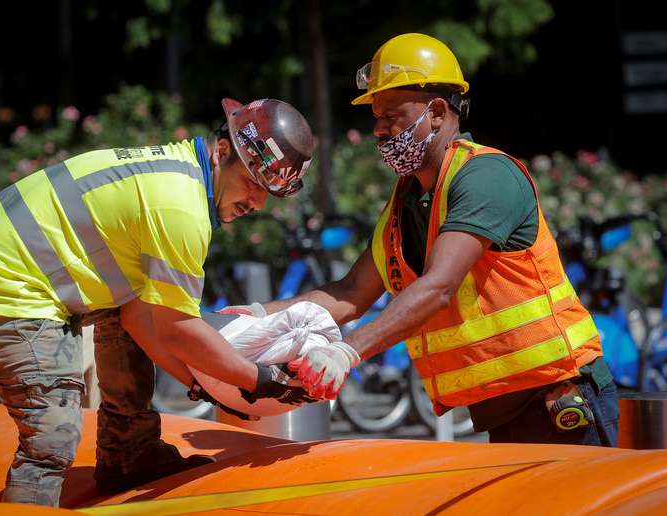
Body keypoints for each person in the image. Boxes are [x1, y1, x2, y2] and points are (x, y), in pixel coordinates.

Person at [0, 97, 316, 506]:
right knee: (52, 436)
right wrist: (258, 381)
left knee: (129, 309)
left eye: (267, 191)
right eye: (252, 181)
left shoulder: (178, 174)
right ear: (223, 150)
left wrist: (204, 384)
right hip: (3, 282)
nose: (257, 203)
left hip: (11, 258)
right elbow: (179, 331)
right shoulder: (180, 207)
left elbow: (142, 320)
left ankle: (129, 455)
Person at [261, 33, 619, 446]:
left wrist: (347, 350)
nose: (379, 129)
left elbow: (439, 286)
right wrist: (257, 316)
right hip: (503, 410)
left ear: (435, 111)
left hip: (560, 399)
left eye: (391, 115)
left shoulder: (486, 176)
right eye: (375, 116)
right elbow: (350, 291)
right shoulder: (405, 202)